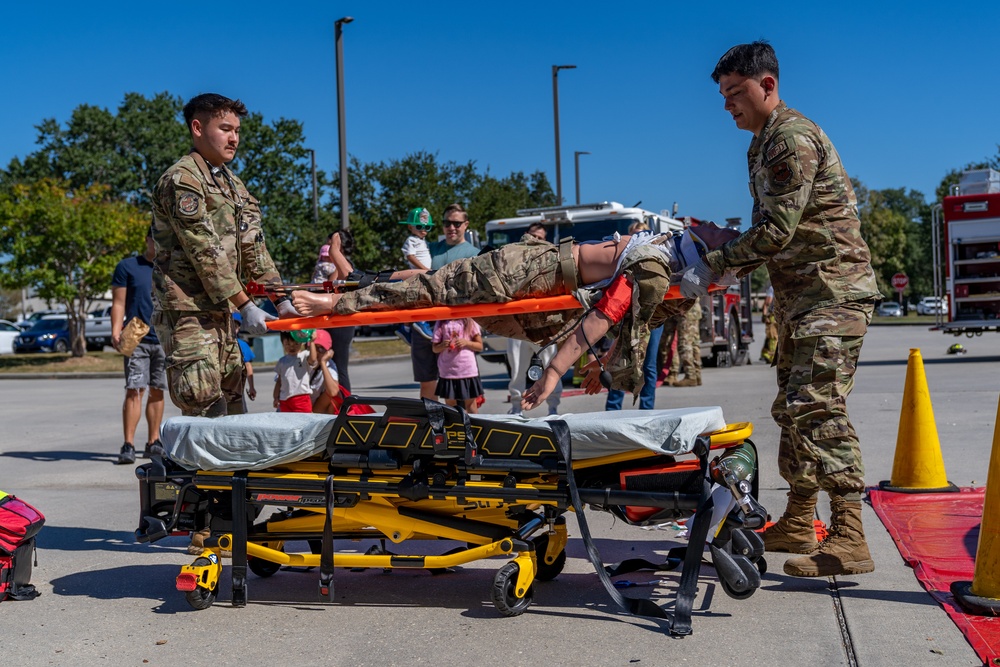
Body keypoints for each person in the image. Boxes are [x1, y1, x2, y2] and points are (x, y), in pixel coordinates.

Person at [682, 41, 881, 578]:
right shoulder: (764, 143)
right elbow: (772, 233)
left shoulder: (789, 139)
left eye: (735, 93)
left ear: (767, 85)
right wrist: (724, 258)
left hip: (831, 294)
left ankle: (848, 533)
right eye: (723, 96)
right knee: (791, 409)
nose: (728, 106)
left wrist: (716, 264)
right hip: (803, 299)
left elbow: (776, 231)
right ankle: (799, 518)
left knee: (818, 406)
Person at [292, 223, 739, 410]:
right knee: (436, 288)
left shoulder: (675, 282)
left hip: (543, 303)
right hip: (527, 270)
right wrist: (559, 371)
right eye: (725, 231)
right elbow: (606, 317)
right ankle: (343, 298)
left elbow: (631, 321)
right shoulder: (658, 260)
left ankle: (357, 282)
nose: (723, 228)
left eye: (725, 234)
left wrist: (596, 367)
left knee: (437, 289)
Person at [150, 93, 297, 420]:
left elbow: (254, 248)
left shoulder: (234, 185)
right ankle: (193, 472)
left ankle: (229, 472)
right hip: (188, 310)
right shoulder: (183, 179)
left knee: (233, 402)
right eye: (225, 128)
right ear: (198, 128)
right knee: (203, 403)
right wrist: (247, 306)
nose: (234, 138)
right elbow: (204, 250)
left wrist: (281, 298)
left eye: (237, 130)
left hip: (223, 310)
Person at [410, 204, 480, 401]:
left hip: (457, 325)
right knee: (428, 384)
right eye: (447, 223)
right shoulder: (429, 249)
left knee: (461, 388)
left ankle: (461, 428)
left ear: (466, 225)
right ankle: (433, 429)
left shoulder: (475, 253)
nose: (451, 227)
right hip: (426, 324)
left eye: (457, 223)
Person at [111, 228, 166, 464]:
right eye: (155, 239)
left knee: (157, 390)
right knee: (134, 389)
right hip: (137, 337)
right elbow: (118, 302)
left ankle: (153, 442)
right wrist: (116, 329)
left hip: (164, 337)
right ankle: (129, 444)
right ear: (147, 240)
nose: (158, 244)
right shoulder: (128, 267)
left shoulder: (171, 269)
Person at [605, 221, 665, 410]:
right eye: (636, 234)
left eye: (645, 233)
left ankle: (646, 410)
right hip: (626, 317)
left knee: (648, 365)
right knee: (621, 362)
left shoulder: (657, 256)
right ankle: (613, 411)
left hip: (652, 319)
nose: (641, 238)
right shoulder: (623, 259)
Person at [506, 222, 561, 415]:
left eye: (540, 237)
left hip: (543, 324)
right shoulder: (513, 256)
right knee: (516, 366)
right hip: (517, 323)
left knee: (551, 364)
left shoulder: (552, 259)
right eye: (533, 236)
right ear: (525, 235)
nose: (536, 240)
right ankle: (516, 408)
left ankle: (553, 407)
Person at [431, 317, 484, 413]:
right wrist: (442, 345)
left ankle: (475, 427)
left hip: (467, 371)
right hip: (448, 372)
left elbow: (479, 346)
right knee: (451, 406)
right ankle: (455, 427)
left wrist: (466, 342)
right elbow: (435, 349)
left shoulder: (469, 321)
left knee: (471, 405)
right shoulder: (441, 322)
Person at [273, 331, 318, 413]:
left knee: (305, 422)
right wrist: (276, 397)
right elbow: (279, 381)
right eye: (287, 344)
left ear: (301, 343)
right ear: (283, 343)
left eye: (296, 344)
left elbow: (313, 359)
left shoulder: (304, 356)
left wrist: (311, 342)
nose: (292, 347)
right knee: (288, 423)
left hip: (301, 397)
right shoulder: (282, 361)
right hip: (284, 399)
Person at [670, 297, 703, 387]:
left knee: (684, 344)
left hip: (686, 310)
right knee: (694, 343)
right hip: (695, 309)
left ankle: (690, 376)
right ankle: (697, 375)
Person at [759, 284, 777, 363]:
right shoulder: (773, 287)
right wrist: (764, 316)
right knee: (773, 336)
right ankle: (771, 356)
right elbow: (767, 303)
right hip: (773, 316)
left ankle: (765, 354)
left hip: (776, 315)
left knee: (771, 336)